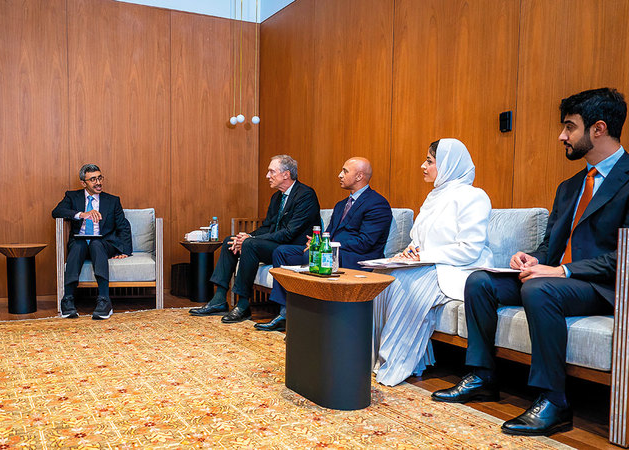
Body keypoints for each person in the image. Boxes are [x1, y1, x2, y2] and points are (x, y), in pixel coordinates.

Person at [432, 88, 628, 437]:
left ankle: (554, 400)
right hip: (556, 278)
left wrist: (561, 270)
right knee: (480, 281)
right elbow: (550, 242)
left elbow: (623, 256)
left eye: (570, 127)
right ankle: (481, 376)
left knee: (540, 289)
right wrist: (532, 258)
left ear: (598, 129)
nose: (562, 136)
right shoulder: (570, 186)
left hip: (602, 287)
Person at [372, 138, 494, 386]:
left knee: (405, 282)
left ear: (448, 164)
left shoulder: (473, 196)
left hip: (460, 269)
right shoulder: (433, 197)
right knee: (380, 276)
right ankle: (377, 356)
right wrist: (406, 254)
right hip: (429, 264)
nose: (422, 166)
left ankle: (397, 359)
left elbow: (469, 249)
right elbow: (418, 241)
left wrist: (422, 257)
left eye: (429, 161)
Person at [255, 157, 393, 332]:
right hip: (333, 252)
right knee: (282, 252)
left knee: (314, 256)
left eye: (345, 171)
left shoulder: (377, 203)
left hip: (358, 257)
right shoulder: (341, 204)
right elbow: (329, 233)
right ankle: (285, 313)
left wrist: (328, 245)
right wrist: (316, 241)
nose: (339, 175)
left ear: (359, 176)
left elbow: (365, 242)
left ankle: (311, 319)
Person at [190, 155, 321, 323]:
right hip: (274, 244)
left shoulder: (305, 195)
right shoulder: (277, 197)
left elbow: (289, 233)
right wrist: (246, 236)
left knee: (250, 245)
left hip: (292, 248)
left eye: (272, 171)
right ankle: (219, 299)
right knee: (230, 241)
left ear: (286, 174)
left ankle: (243, 305)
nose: (267, 176)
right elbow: (268, 226)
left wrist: (249, 240)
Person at [52, 164, 132, 320]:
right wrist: (82, 214)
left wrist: (124, 251)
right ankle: (68, 299)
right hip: (80, 242)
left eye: (100, 178)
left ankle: (104, 300)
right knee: (78, 244)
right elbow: (56, 212)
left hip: (103, 243)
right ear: (83, 183)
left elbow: (123, 226)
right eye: (93, 179)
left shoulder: (112, 200)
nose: (98, 182)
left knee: (96, 243)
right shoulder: (72, 197)